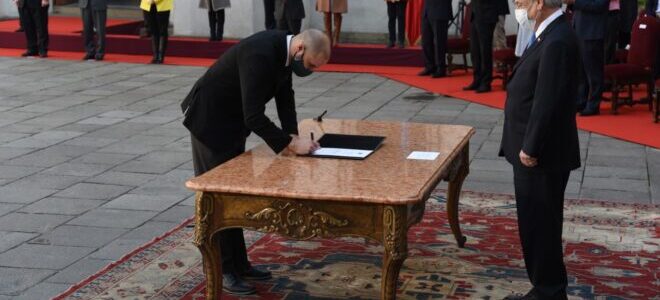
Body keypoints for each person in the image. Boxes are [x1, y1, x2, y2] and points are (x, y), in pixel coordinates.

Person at [180, 29, 331, 296]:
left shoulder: (284, 54)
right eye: (310, 65)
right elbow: (254, 115)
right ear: (299, 50)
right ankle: (223, 270)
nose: (310, 71)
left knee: (235, 197)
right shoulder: (260, 53)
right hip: (210, 122)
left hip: (232, 124)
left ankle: (240, 264)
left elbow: (286, 98)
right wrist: (289, 144)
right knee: (219, 200)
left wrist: (294, 136)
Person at [500, 0, 581, 299]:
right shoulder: (548, 33)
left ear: (539, 3)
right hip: (534, 151)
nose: (518, 6)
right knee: (536, 226)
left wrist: (530, 148)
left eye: (522, 0)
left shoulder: (558, 39)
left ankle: (549, 291)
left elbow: (547, 102)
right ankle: (545, 288)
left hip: (540, 156)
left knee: (540, 228)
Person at [565, 0, 608, 116]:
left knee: (593, 72)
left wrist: (576, 1)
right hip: (579, 28)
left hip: (592, 31)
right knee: (581, 71)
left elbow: (600, 5)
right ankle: (581, 101)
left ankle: (593, 105)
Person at [463, 0, 510, 93]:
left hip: (487, 13)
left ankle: (486, 82)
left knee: (485, 50)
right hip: (475, 12)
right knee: (475, 50)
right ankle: (477, 79)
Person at [417, 0, 452, 78]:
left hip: (440, 10)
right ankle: (429, 66)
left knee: (439, 42)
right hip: (427, 10)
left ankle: (441, 68)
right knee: (426, 41)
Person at [140, 0, 172, 64]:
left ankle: (160, 57)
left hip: (162, 4)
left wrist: (154, 0)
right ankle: (155, 56)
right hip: (147, 3)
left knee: (162, 30)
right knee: (153, 30)